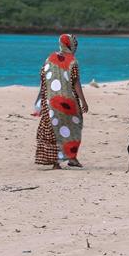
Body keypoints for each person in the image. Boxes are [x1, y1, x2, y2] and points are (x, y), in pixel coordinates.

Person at [35, 34, 89, 169]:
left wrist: (41, 100)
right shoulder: (73, 61)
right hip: (69, 103)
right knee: (73, 128)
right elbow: (76, 83)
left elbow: (43, 79)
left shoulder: (50, 58)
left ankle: (56, 163)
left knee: (53, 130)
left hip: (50, 101)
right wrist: (84, 101)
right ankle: (72, 158)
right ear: (71, 45)